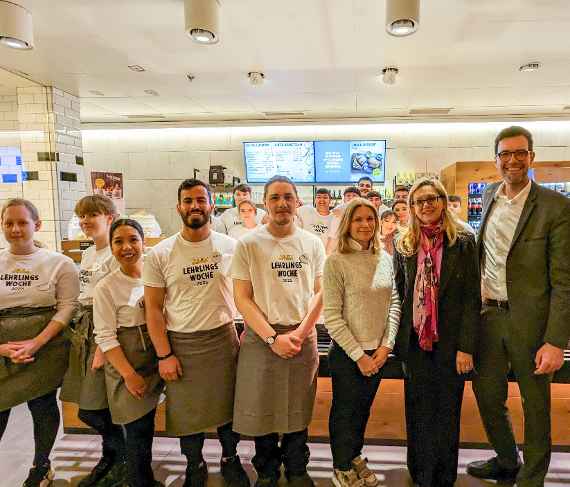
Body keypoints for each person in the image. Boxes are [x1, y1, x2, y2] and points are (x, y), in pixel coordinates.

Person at [467, 126, 570, 487]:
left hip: (532, 323)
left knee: (535, 403)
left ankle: (533, 475)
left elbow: (565, 281)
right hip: (488, 317)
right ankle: (507, 458)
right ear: (496, 159)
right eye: (505, 154)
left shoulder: (556, 207)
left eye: (519, 153)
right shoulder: (491, 194)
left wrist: (556, 340)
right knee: (487, 393)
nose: (512, 160)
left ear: (531, 157)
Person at [144, 179, 249, 487]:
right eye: (188, 201)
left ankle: (231, 460)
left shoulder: (231, 246)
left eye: (200, 200)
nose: (194, 206)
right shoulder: (160, 253)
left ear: (211, 204)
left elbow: (247, 294)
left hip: (223, 339)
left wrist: (247, 332)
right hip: (182, 343)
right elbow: (152, 309)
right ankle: (195, 464)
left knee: (229, 409)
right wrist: (164, 354)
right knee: (186, 414)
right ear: (179, 207)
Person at [231, 175, 325, 487]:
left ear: (298, 202)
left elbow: (321, 293)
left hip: (302, 335)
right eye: (274, 198)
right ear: (264, 204)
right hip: (262, 337)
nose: (282, 203)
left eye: (288, 197)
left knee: (298, 406)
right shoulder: (248, 244)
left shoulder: (312, 243)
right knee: (263, 408)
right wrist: (272, 337)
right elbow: (242, 297)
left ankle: (297, 469)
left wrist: (299, 333)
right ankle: (268, 471)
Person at [394, 178, 480, 487]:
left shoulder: (464, 242)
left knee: (447, 411)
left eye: (432, 199)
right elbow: (400, 294)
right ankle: (420, 473)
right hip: (415, 343)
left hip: (451, 343)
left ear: (442, 202)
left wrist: (466, 347)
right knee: (417, 410)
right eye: (419, 201)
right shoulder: (403, 244)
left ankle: (444, 475)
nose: (426, 205)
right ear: (412, 208)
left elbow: (472, 297)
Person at [0, 198, 79, 486]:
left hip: (46, 346)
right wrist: (4, 349)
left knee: (42, 404)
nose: (16, 229)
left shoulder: (60, 263)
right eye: (9, 223)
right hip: (3, 348)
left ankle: (41, 466)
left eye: (22, 222)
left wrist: (35, 342)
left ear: (37, 225)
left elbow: (67, 307)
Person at [323, 198, 400, 487]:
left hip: (378, 353)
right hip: (347, 354)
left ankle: (354, 455)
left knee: (362, 410)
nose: (365, 224)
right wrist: (359, 355)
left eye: (370, 219)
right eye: (358, 219)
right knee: (344, 410)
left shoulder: (384, 259)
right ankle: (341, 466)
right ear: (347, 225)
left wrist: (385, 346)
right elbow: (332, 316)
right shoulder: (336, 262)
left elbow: (394, 303)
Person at [60, 195, 127, 487]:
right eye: (82, 216)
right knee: (91, 405)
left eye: (92, 215)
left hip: (105, 334)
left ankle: (121, 459)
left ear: (109, 217)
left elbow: (117, 303)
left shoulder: (115, 255)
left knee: (96, 407)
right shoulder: (89, 254)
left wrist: (103, 348)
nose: (86, 221)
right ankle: (110, 457)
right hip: (85, 331)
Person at [93, 219, 164, 487]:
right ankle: (139, 481)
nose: (127, 247)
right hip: (129, 361)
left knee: (148, 427)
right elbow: (106, 337)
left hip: (159, 355)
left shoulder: (156, 274)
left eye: (133, 239)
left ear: (144, 242)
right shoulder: (107, 287)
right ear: (110, 247)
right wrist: (129, 375)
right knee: (137, 428)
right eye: (118, 241)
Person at [325, 187, 361, 255]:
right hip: (340, 244)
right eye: (348, 195)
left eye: (354, 195)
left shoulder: (364, 209)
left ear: (359, 198)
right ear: (344, 198)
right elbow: (333, 234)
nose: (351, 197)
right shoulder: (339, 209)